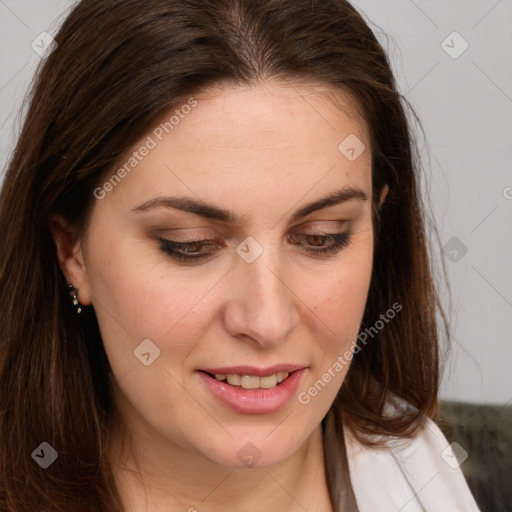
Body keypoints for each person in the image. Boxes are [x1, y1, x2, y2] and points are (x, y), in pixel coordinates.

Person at [0, 0, 481, 511]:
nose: (267, 320)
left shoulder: (438, 475)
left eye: (322, 236)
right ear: (71, 249)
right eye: (190, 245)